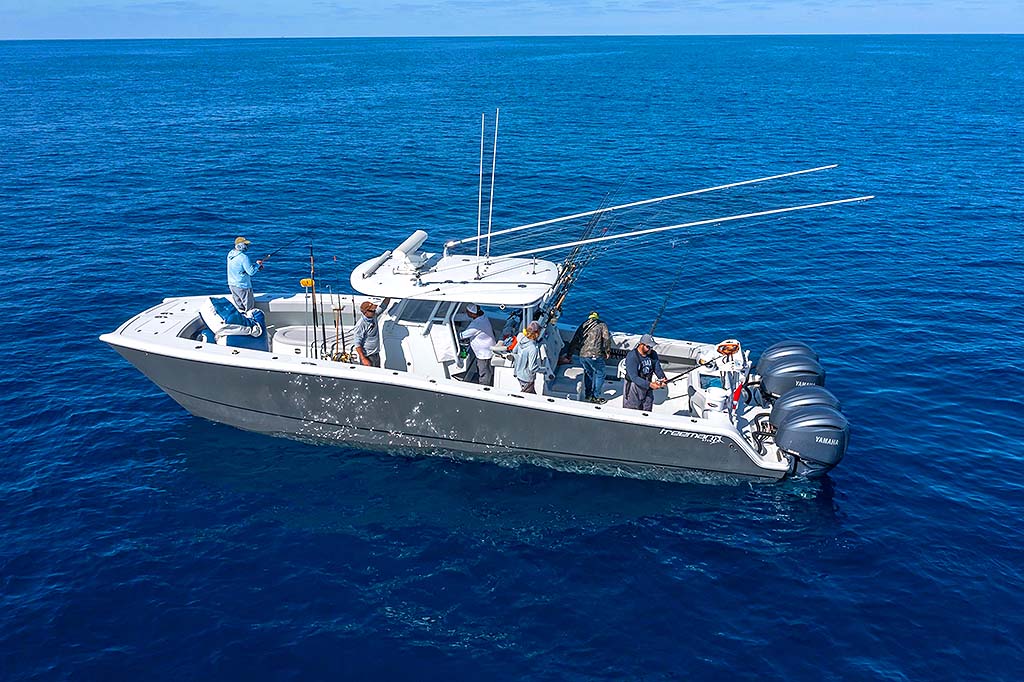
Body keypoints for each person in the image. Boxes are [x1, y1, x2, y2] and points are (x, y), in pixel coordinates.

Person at [566, 311, 611, 403]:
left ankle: (588, 395)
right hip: (595, 355)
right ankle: (596, 397)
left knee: (588, 373)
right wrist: (607, 351)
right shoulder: (602, 324)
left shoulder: (583, 325)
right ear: (597, 317)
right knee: (600, 374)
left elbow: (575, 340)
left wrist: (569, 355)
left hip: (582, 355)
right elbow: (606, 339)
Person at [623, 333, 668, 411]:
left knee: (647, 407)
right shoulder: (632, 356)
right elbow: (634, 377)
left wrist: (662, 378)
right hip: (633, 387)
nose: (650, 349)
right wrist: (650, 384)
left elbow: (657, 368)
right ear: (641, 345)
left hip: (647, 384)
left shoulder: (653, 354)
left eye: (651, 347)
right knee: (631, 409)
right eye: (648, 347)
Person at [460, 303, 496, 386]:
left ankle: (484, 387)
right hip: (489, 348)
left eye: (467, 312)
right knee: (488, 370)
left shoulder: (476, 325)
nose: (466, 313)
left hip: (484, 353)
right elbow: (466, 317)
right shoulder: (482, 316)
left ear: (472, 313)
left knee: (484, 372)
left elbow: (462, 335)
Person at [226, 236, 263, 311]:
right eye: (245, 244)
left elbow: (239, 268)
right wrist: (257, 265)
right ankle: (250, 322)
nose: (247, 246)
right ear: (239, 245)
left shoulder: (230, 254)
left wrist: (256, 267)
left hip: (232, 285)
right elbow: (251, 272)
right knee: (249, 309)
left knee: (240, 308)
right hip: (243, 286)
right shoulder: (244, 257)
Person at [352, 298, 390, 367]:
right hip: (367, 356)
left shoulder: (373, 315)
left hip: (376, 354)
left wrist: (388, 296)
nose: (374, 311)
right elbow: (357, 344)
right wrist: (363, 359)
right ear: (365, 312)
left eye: (374, 310)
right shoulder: (361, 324)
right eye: (372, 310)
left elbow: (383, 306)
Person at [513, 321, 543, 393]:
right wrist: (543, 369)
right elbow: (532, 367)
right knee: (530, 396)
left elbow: (514, 351)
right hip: (527, 378)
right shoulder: (533, 348)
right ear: (537, 333)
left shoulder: (521, 340)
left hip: (518, 374)